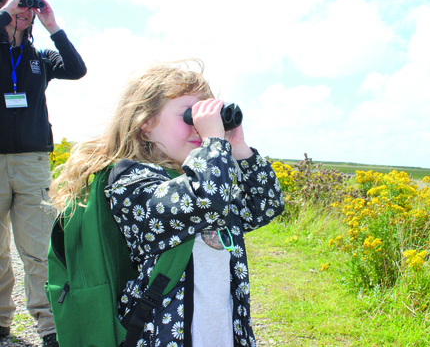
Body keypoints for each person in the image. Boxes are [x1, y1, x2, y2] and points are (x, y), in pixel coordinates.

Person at [50, 60, 284, 347]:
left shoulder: (203, 178)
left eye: (206, 117)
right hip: (164, 335)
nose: (201, 127)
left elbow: (266, 205)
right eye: (190, 116)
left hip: (219, 330)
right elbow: (203, 202)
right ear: (145, 124)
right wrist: (212, 143)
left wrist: (239, 150)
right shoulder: (131, 180)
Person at [0, 0, 87, 345]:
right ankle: (2, 320)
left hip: (33, 163)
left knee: (37, 250)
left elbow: (77, 68)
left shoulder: (40, 59)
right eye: (16, 4)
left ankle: (49, 327)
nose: (23, 10)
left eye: (28, 6)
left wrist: (53, 26)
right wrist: (7, 9)